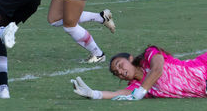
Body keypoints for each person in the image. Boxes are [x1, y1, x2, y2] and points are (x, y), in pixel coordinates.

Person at [71, 45, 207, 100]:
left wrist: (141, 92)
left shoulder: (149, 53)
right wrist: (93, 94)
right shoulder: (136, 87)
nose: (119, 71)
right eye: (116, 72)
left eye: (120, 64)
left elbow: (157, 69)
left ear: (130, 58)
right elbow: (116, 94)